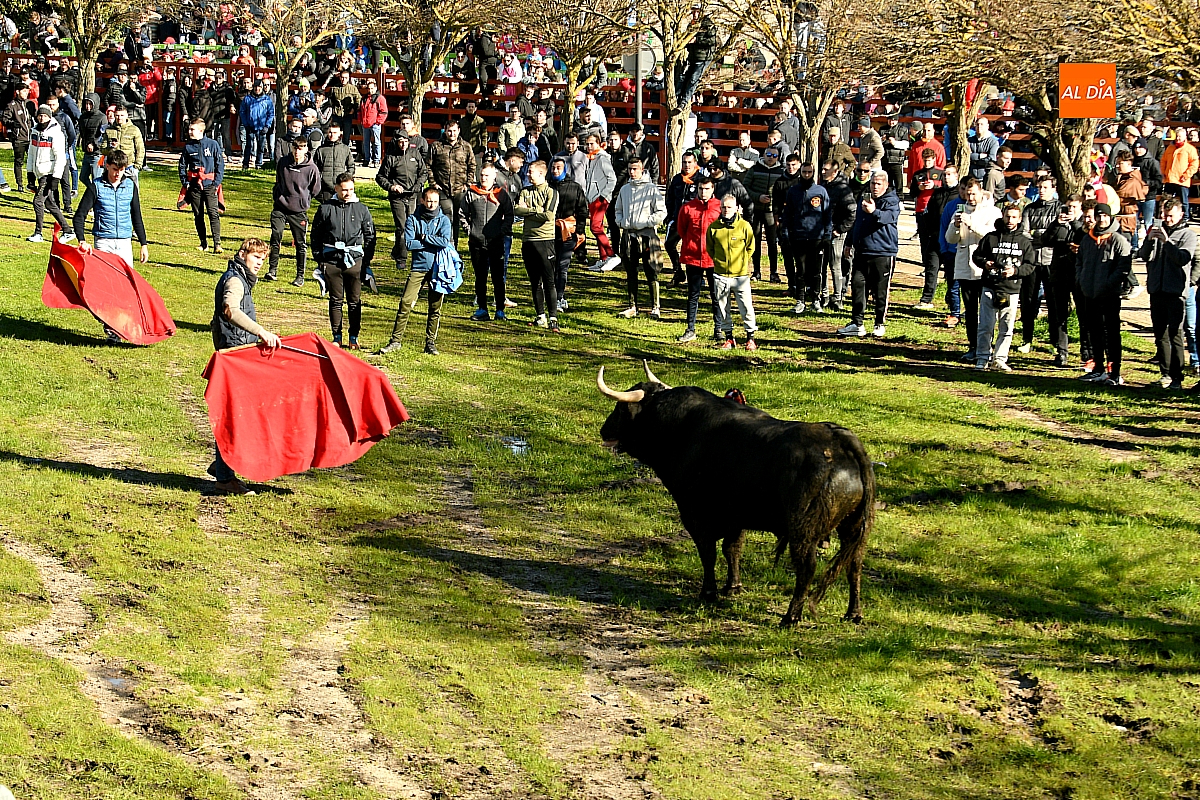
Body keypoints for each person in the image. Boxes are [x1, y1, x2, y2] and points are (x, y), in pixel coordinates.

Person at [209, 238, 282, 495]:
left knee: (239, 416)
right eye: (255, 257)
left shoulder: (240, 278)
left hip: (237, 355)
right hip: (235, 359)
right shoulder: (235, 281)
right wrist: (260, 331)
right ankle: (224, 477)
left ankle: (222, 466)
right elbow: (229, 310)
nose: (259, 263)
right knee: (235, 418)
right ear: (242, 254)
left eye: (263, 259)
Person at [377, 188, 453, 355]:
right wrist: (432, 242)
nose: (432, 204)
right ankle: (395, 341)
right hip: (418, 267)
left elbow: (444, 242)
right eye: (429, 201)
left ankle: (430, 343)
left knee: (435, 306)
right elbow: (410, 244)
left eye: (435, 201)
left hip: (437, 268)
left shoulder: (444, 220)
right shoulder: (413, 219)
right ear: (422, 201)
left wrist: (424, 238)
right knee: (405, 302)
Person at [311, 172, 376, 349]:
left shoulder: (362, 209)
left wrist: (366, 260)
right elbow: (315, 235)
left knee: (354, 301)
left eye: (351, 190)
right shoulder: (325, 208)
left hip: (355, 261)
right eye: (344, 190)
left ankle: (354, 337)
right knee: (335, 300)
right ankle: (336, 336)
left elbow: (370, 236)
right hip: (332, 261)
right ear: (336, 189)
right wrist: (319, 258)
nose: (348, 193)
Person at [1139, 196, 1196, 389]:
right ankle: (1165, 374)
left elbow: (1182, 258)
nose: (1167, 219)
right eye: (1164, 215)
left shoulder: (1188, 235)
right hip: (1157, 289)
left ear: (1180, 214)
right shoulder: (1156, 231)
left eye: (1170, 215)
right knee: (1160, 334)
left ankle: (1177, 377)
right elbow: (1143, 255)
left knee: (1175, 334)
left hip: (1175, 291)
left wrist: (1167, 242)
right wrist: (1149, 240)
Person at [972, 204, 1036, 371]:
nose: (1010, 220)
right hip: (990, 286)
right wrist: (985, 263)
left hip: (1012, 290)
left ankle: (1000, 358)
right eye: (1007, 216)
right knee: (985, 326)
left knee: (1006, 327)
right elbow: (976, 256)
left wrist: (1015, 271)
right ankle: (982, 358)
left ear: (1019, 219)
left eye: (1014, 217)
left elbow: (1030, 265)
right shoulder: (991, 237)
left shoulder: (1024, 242)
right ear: (1002, 216)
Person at [945, 178, 1002, 361]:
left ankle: (987, 346)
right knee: (970, 311)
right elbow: (950, 239)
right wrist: (955, 226)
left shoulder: (993, 212)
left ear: (981, 192)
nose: (970, 198)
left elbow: (992, 235)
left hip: (984, 268)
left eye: (973, 194)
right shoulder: (960, 210)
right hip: (964, 266)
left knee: (986, 310)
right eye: (967, 194)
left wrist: (971, 224)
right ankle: (973, 346)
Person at [1076, 203, 1133, 386]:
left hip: (1109, 295)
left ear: (1110, 217)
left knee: (1112, 334)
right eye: (1099, 216)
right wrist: (1082, 280)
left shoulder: (1118, 239)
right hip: (1090, 293)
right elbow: (1079, 261)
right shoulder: (1087, 239)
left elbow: (1123, 267)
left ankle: (1114, 372)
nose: (1102, 219)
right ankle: (1098, 369)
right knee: (1094, 332)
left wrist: (1108, 285)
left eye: (1105, 216)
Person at [838, 171, 899, 338]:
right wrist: (849, 242)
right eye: (873, 183)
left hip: (883, 252)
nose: (875, 187)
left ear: (886, 185)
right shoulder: (865, 199)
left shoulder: (892, 200)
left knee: (880, 290)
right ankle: (857, 323)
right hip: (862, 251)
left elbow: (888, 218)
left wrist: (874, 211)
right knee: (857, 286)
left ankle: (879, 323)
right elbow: (857, 221)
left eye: (878, 184)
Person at [614, 157, 668, 319]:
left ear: (642, 170)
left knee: (651, 270)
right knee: (631, 271)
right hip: (629, 234)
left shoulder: (651, 189)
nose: (632, 172)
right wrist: (622, 222)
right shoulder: (625, 189)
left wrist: (647, 222)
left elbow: (661, 212)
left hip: (647, 235)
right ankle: (632, 306)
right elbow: (618, 209)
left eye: (635, 169)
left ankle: (655, 307)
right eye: (630, 169)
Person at [461, 162, 514, 321]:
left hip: (496, 241)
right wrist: (469, 230)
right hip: (476, 242)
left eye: (487, 175)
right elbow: (462, 213)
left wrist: (502, 231)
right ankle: (482, 308)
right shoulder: (471, 193)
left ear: (494, 177)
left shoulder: (501, 194)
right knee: (480, 277)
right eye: (482, 175)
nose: (484, 178)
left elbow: (509, 214)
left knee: (498, 277)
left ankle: (500, 310)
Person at [513, 161, 562, 330]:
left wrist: (529, 211)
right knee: (535, 281)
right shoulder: (525, 191)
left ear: (541, 174)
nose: (527, 174)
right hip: (528, 241)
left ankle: (553, 317)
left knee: (549, 281)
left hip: (545, 241)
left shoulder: (551, 192)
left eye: (530, 172)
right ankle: (540, 316)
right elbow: (517, 210)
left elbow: (548, 215)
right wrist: (536, 210)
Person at [707, 193, 758, 350]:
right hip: (720, 275)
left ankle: (750, 338)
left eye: (729, 207)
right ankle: (729, 338)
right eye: (723, 207)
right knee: (723, 308)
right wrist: (719, 262)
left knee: (746, 307)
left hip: (740, 276)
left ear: (736, 208)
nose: (726, 210)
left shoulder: (744, 226)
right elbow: (710, 248)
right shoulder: (714, 228)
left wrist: (742, 262)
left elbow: (751, 247)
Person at [268, 135, 321, 285]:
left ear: (306, 149)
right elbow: (278, 180)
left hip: (298, 210)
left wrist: (304, 200)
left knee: (300, 243)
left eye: (301, 148)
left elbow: (316, 189)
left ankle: (300, 276)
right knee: (276, 235)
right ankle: (272, 270)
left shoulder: (312, 168)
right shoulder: (283, 162)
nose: (297, 151)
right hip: (280, 207)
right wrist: (278, 196)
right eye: (295, 148)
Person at [1016, 173, 1060, 354]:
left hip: (1052, 261)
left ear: (1053, 189)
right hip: (1032, 261)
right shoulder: (1029, 208)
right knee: (1028, 301)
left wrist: (1040, 234)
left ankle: (1056, 341)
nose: (1041, 191)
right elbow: (1024, 232)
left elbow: (1057, 234)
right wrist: (1042, 235)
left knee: (1054, 302)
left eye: (1045, 187)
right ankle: (1027, 339)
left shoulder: (1059, 209)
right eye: (1039, 187)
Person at [1040, 195, 1085, 367]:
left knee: (1083, 314)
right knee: (1059, 315)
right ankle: (1061, 351)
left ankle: (1086, 353)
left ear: (1080, 208)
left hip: (1078, 274)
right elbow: (1045, 240)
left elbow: (1083, 236)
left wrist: (1074, 222)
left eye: (1074, 207)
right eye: (1068, 207)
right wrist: (1056, 224)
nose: (1070, 210)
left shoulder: (1083, 224)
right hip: (1059, 273)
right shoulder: (1059, 224)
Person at [675, 174, 721, 343]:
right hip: (693, 257)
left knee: (716, 295)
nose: (703, 192)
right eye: (701, 189)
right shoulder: (688, 208)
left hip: (713, 258)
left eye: (707, 189)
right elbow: (681, 230)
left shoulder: (719, 207)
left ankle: (719, 329)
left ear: (713, 189)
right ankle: (690, 329)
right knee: (693, 294)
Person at [783, 160, 831, 313]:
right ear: (800, 173)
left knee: (816, 271)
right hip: (799, 237)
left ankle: (816, 300)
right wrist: (785, 233)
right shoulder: (793, 191)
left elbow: (827, 214)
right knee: (801, 270)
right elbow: (787, 214)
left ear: (813, 173)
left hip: (817, 237)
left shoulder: (821, 191)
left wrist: (827, 235)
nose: (806, 175)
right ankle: (800, 301)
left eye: (809, 172)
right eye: (804, 172)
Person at [376, 134, 429, 271]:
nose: (403, 144)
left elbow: (424, 172)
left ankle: (401, 251)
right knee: (402, 228)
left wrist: (418, 185)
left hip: (412, 195)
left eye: (405, 141)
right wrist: (391, 187)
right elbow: (380, 177)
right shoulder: (391, 157)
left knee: (413, 226)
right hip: (397, 197)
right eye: (400, 141)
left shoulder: (415, 154)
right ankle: (401, 258)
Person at [26, 104, 75, 243]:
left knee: (38, 202)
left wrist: (56, 178)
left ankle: (38, 233)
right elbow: (31, 153)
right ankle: (68, 230)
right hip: (39, 172)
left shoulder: (56, 133)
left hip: (49, 173)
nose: (42, 118)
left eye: (45, 116)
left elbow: (60, 157)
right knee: (50, 204)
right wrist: (30, 173)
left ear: (49, 116)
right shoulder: (34, 131)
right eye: (40, 116)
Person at [178, 118, 225, 254]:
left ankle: (217, 244)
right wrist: (185, 183)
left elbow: (220, 165)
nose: (189, 131)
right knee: (198, 214)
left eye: (192, 129)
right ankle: (203, 243)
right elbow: (182, 166)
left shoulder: (213, 144)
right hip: (194, 186)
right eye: (189, 129)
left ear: (200, 130)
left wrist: (216, 183)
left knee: (213, 213)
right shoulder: (188, 147)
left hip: (210, 184)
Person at [549, 156, 587, 313]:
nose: (555, 171)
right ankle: (551, 296)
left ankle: (559, 297)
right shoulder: (547, 186)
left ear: (564, 170)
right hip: (549, 231)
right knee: (551, 266)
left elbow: (582, 210)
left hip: (568, 231)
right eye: (553, 168)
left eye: (558, 168)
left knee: (562, 266)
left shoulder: (575, 187)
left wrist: (579, 230)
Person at [430, 120, 475, 244]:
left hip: (460, 189)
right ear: (445, 131)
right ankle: (448, 244)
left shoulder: (466, 146)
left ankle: (454, 244)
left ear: (458, 131)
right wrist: (433, 183)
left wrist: (468, 183)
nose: (452, 134)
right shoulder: (436, 146)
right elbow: (428, 165)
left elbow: (472, 165)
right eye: (449, 131)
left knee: (457, 217)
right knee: (447, 216)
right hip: (442, 188)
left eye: (454, 131)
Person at [911, 147, 946, 309]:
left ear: (934, 160)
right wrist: (919, 188)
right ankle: (927, 266)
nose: (927, 163)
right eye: (925, 160)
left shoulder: (941, 173)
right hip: (921, 210)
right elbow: (911, 193)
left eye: (930, 160)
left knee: (938, 241)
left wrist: (935, 186)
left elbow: (946, 189)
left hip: (936, 211)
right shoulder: (917, 174)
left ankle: (941, 270)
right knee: (924, 241)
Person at [743, 146, 783, 283]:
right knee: (755, 241)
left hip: (771, 212)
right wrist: (757, 197)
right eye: (769, 154)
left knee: (772, 242)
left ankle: (774, 272)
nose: (771, 157)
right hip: (755, 210)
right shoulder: (755, 169)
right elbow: (745, 187)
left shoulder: (781, 171)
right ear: (764, 155)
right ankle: (756, 271)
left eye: (774, 155)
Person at [821, 159, 857, 311]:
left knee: (835, 265)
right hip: (823, 231)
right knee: (821, 264)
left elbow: (852, 212)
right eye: (822, 169)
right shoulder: (823, 186)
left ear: (835, 172)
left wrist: (840, 229)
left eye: (826, 169)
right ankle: (824, 295)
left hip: (836, 233)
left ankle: (837, 297)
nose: (823, 172)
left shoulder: (843, 189)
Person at [583, 133, 619, 271]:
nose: (589, 146)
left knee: (595, 227)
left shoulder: (603, 158)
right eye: (587, 144)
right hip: (592, 197)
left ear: (598, 143)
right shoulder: (591, 158)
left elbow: (612, 179)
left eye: (592, 143)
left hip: (600, 198)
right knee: (598, 227)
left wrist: (603, 195)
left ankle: (611, 254)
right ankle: (603, 258)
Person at [936, 166, 965, 328]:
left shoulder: (979, 207)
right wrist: (944, 248)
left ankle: (970, 311)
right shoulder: (951, 206)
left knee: (969, 286)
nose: (965, 193)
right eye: (962, 189)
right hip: (951, 252)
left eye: (968, 190)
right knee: (953, 284)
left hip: (970, 253)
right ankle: (955, 313)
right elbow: (943, 227)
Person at [101, 104, 145, 184]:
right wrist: (112, 148)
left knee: (133, 190)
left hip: (129, 167)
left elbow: (140, 148)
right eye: (117, 115)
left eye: (122, 115)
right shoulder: (109, 130)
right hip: (113, 168)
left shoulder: (134, 130)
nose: (119, 118)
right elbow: (102, 150)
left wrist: (137, 166)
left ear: (127, 115)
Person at [314, 121, 355, 203]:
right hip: (326, 188)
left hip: (341, 187)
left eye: (335, 132)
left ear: (340, 133)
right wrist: (320, 182)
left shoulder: (345, 149)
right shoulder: (321, 150)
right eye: (330, 132)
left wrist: (346, 179)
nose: (332, 135)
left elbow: (351, 166)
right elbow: (315, 168)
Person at [4, 83, 34, 193]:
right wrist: (12, 124)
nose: (26, 93)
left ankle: (31, 183)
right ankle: (20, 184)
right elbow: (5, 119)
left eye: (27, 91)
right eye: (24, 91)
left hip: (30, 137)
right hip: (19, 138)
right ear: (17, 92)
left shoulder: (29, 103)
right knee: (19, 161)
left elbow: (34, 117)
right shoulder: (12, 105)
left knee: (32, 161)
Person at [238, 79, 274, 169]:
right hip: (250, 126)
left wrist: (267, 125)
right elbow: (242, 112)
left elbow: (271, 114)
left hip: (262, 127)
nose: (257, 89)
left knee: (261, 147)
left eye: (259, 87)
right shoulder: (247, 99)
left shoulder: (267, 100)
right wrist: (246, 124)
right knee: (248, 146)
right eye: (256, 87)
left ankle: (258, 164)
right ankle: (245, 164)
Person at [1160, 126, 1198, 207]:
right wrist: (1163, 172)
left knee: (1183, 202)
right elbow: (1163, 161)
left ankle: (1185, 215)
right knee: (1166, 201)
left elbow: (1194, 164)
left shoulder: (1190, 149)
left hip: (1182, 180)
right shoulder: (1170, 148)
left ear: (1185, 137)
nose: (1178, 138)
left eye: (1180, 136)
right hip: (1169, 179)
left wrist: (1186, 175)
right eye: (1177, 136)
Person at [358, 77, 387, 167]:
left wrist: (378, 121)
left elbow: (384, 111)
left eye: (372, 88)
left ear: (375, 88)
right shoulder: (364, 98)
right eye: (369, 88)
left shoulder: (380, 98)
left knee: (377, 142)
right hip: (365, 123)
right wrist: (361, 120)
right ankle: (367, 159)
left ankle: (377, 160)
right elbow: (360, 110)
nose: (370, 90)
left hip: (375, 124)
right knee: (366, 142)